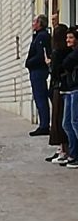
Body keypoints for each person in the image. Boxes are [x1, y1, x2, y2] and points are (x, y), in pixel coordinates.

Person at [48, 25, 71, 157]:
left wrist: (50, 64)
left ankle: (63, 150)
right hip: (66, 86)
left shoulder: (57, 52)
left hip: (58, 87)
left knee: (59, 119)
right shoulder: (69, 51)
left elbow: (55, 71)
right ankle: (64, 149)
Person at [27, 16, 52, 135]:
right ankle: (43, 123)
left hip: (38, 69)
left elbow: (41, 55)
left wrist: (29, 63)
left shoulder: (41, 36)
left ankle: (44, 125)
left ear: (40, 24)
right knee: (39, 97)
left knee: (40, 97)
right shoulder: (38, 36)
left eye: (35, 22)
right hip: (36, 69)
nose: (33, 24)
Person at [57, 29, 78, 167]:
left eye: (70, 37)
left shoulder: (75, 53)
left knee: (74, 122)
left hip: (75, 88)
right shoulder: (71, 52)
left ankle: (74, 154)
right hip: (70, 88)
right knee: (67, 123)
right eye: (66, 38)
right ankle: (73, 152)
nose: (68, 40)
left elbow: (65, 64)